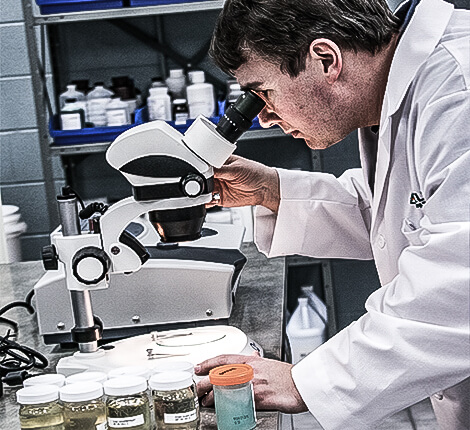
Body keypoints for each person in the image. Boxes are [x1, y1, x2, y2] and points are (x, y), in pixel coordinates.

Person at [194, 0, 470, 429]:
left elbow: (461, 284)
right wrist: (270, 190)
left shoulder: (461, 89)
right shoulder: (411, 83)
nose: (264, 118)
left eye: (262, 91)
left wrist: (307, 382)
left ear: (326, 59)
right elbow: (409, 210)